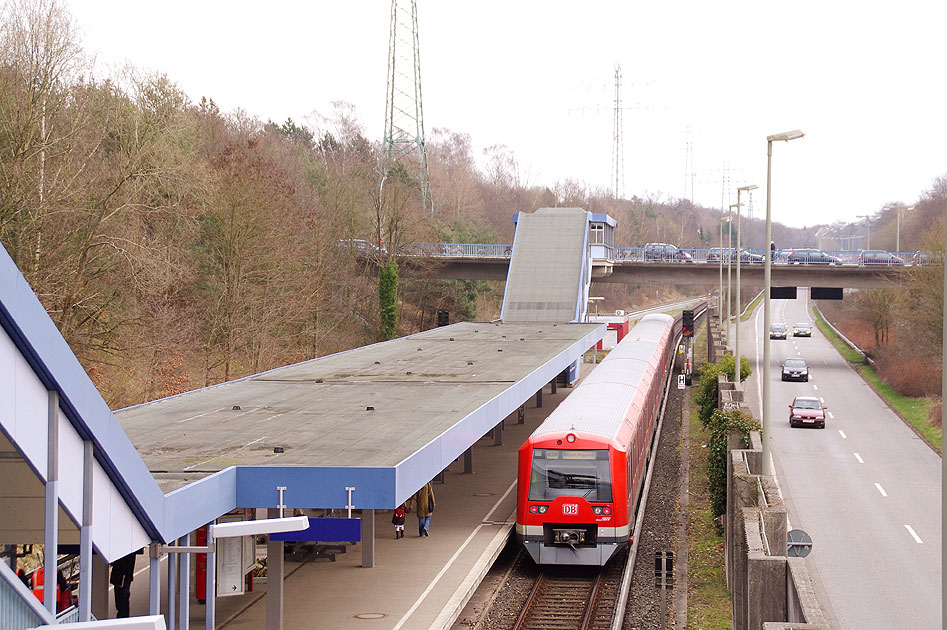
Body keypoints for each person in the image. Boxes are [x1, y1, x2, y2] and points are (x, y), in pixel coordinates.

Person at [110, 552, 137, 618]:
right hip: (123, 577)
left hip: (121, 578)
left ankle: (122, 619)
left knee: (122, 603)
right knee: (123, 602)